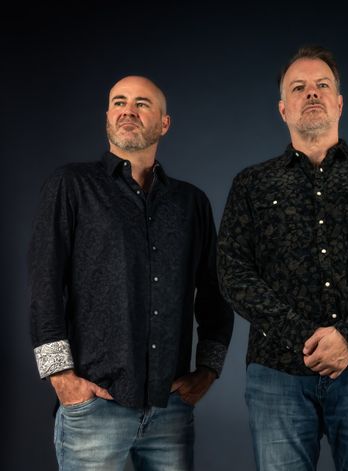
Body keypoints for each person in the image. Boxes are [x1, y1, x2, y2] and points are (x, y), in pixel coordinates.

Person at [217, 45, 348, 470]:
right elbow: (233, 272)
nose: (311, 93)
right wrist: (303, 337)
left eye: (322, 85)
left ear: (339, 103)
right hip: (277, 375)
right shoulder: (251, 184)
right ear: (283, 109)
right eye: (298, 87)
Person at [29, 75, 234, 470]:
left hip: (170, 410)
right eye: (119, 102)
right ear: (107, 116)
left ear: (164, 123)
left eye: (142, 103)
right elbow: (44, 283)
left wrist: (209, 371)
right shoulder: (71, 185)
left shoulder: (191, 203)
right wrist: (61, 377)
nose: (128, 110)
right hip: (94, 406)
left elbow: (216, 292)